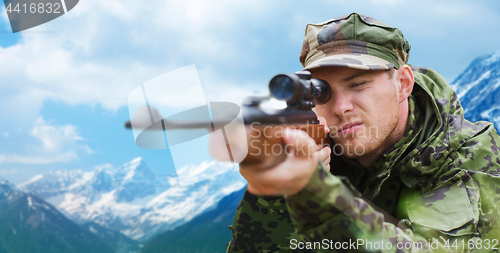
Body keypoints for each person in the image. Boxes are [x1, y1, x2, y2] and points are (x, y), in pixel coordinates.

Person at [226, 12, 500, 252]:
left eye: (358, 85)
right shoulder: (322, 149)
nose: (341, 108)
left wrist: (316, 191)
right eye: (325, 94)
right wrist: (274, 193)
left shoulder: (471, 157)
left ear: (403, 84)